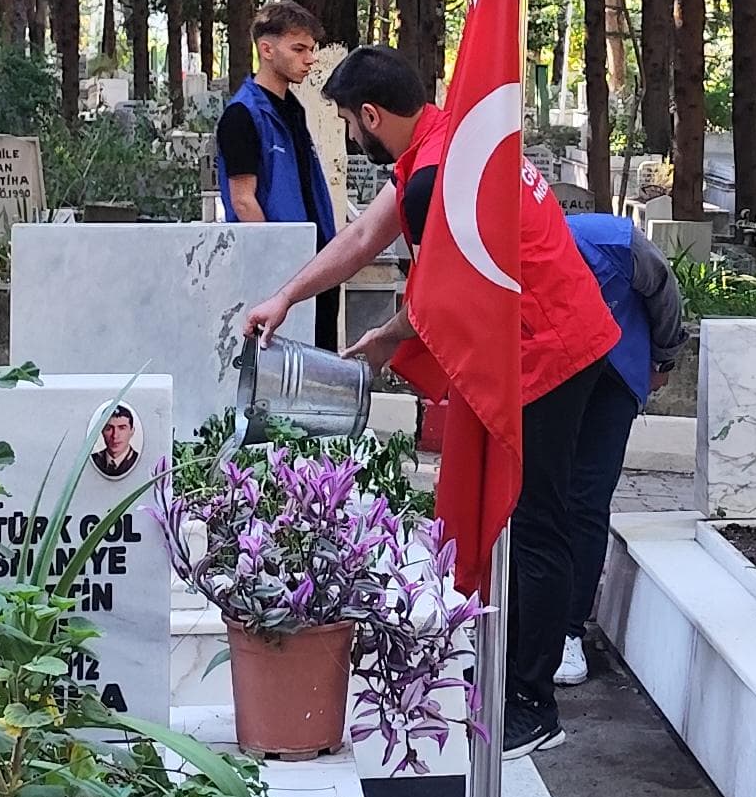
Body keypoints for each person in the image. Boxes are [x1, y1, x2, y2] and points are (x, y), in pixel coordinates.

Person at [240, 44, 618, 753]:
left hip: (548, 348)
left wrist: (389, 333)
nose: (353, 138)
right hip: (555, 332)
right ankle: (507, 671)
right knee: (528, 521)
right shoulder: (444, 141)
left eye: (352, 123)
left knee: (534, 521)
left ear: (373, 114)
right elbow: (362, 236)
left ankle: (531, 707)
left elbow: (449, 287)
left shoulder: (436, 173)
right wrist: (287, 296)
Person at [555, 211, 685, 684]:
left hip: (613, 372)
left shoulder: (616, 243)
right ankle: (530, 621)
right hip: (553, 372)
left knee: (585, 500)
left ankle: (569, 631)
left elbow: (665, 291)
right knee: (542, 495)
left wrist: (665, 355)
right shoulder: (512, 255)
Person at [215, 0, 340, 347]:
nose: (310, 59)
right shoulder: (243, 115)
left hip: (316, 263)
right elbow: (243, 201)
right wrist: (278, 268)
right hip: (283, 274)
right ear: (267, 50)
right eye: (299, 48)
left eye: (312, 49)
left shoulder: (294, 109)